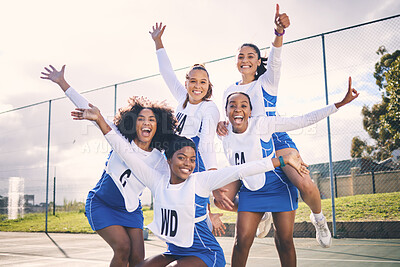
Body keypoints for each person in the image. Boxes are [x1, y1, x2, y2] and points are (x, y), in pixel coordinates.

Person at [70, 103, 309, 267]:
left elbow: (240, 169)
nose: (188, 164)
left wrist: (280, 160)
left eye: (193, 159)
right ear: (168, 160)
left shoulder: (200, 181)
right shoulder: (156, 180)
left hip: (206, 254)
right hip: (175, 251)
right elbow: (121, 147)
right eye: (182, 158)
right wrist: (99, 118)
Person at [215, 4, 332, 247]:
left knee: (304, 184)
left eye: (250, 56)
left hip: (276, 141)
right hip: (247, 149)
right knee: (222, 198)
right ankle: (262, 213)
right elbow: (231, 119)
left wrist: (278, 33)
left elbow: (276, 59)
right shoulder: (229, 90)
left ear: (258, 61)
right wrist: (221, 125)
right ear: (236, 61)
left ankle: (318, 219)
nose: (245, 60)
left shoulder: (267, 83)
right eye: (241, 56)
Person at [40, 65, 176, 266]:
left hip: (130, 210)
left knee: (138, 259)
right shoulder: (119, 138)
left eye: (151, 120)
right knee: (123, 248)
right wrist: (62, 82)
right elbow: (94, 112)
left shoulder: (158, 159)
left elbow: (171, 188)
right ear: (133, 123)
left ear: (158, 125)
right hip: (101, 204)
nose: (146, 122)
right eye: (141, 118)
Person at [221, 77, 358, 267]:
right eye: (232, 105)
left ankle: (318, 219)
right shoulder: (223, 130)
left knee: (284, 241)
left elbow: (302, 120)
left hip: (277, 185)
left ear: (250, 111)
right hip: (251, 190)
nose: (237, 108)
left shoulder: (262, 125)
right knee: (241, 242)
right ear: (225, 110)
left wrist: (339, 104)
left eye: (244, 105)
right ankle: (264, 215)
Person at [149, 23, 226, 236]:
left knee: (200, 202)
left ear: (208, 85)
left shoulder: (209, 108)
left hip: (195, 156)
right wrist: (158, 42)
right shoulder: (182, 100)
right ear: (187, 83)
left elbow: (207, 144)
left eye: (203, 82)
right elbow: (166, 73)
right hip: (177, 154)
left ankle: (255, 212)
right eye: (193, 81)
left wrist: (214, 183)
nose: (197, 86)